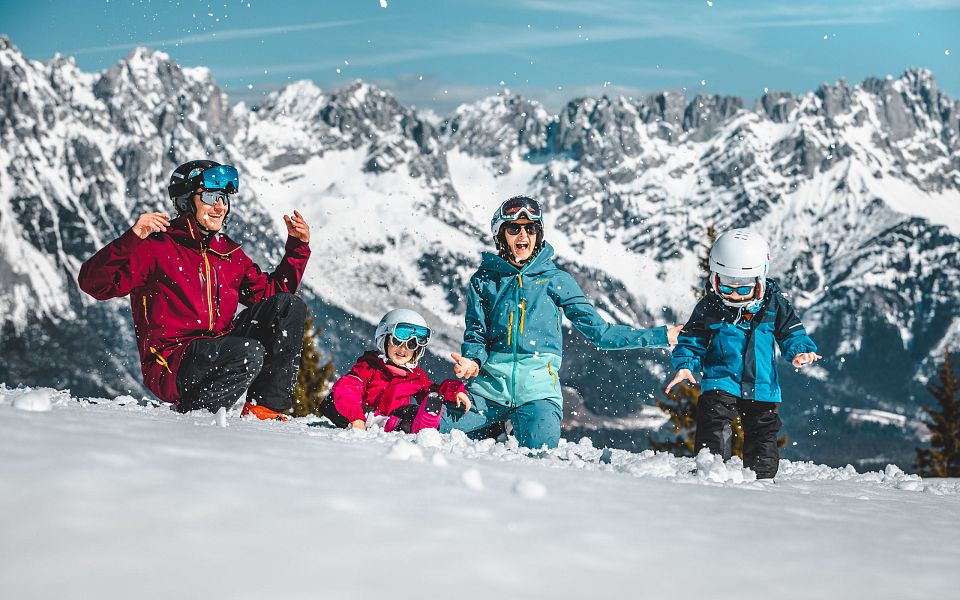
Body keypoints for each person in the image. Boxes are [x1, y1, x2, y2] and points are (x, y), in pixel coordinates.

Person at [78, 160, 312, 419]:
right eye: (211, 196)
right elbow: (94, 284)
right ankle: (197, 414)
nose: (220, 206)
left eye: (223, 198)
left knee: (288, 307)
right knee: (247, 352)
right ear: (187, 200)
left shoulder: (228, 254)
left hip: (219, 347)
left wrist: (297, 248)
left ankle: (265, 410)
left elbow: (273, 295)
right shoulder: (157, 248)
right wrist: (132, 238)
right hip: (173, 360)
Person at [446, 196, 681, 450]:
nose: (523, 234)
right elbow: (476, 335)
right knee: (435, 432)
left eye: (531, 228)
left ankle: (515, 425)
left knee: (540, 452)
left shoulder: (555, 280)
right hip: (487, 392)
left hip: (537, 395)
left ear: (539, 234)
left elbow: (600, 333)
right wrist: (473, 360)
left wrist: (662, 335)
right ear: (500, 234)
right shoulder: (484, 281)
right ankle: (496, 426)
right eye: (514, 228)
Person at [665, 228, 821, 479]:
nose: (734, 295)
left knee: (763, 434)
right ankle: (711, 471)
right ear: (715, 279)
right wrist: (685, 363)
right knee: (715, 425)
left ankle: (761, 480)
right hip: (720, 381)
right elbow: (692, 338)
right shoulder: (710, 307)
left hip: (762, 385)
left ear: (760, 281)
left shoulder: (774, 303)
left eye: (743, 289)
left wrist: (799, 350)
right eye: (726, 288)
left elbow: (791, 331)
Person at [321, 309, 471, 433]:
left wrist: (454, 390)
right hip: (361, 415)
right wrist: (356, 417)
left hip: (393, 418)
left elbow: (433, 391)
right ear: (384, 340)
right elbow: (348, 386)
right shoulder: (368, 367)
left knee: (411, 411)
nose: (403, 349)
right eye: (397, 341)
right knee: (334, 400)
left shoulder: (415, 377)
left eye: (411, 344)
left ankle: (424, 423)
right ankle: (388, 423)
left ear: (417, 350)